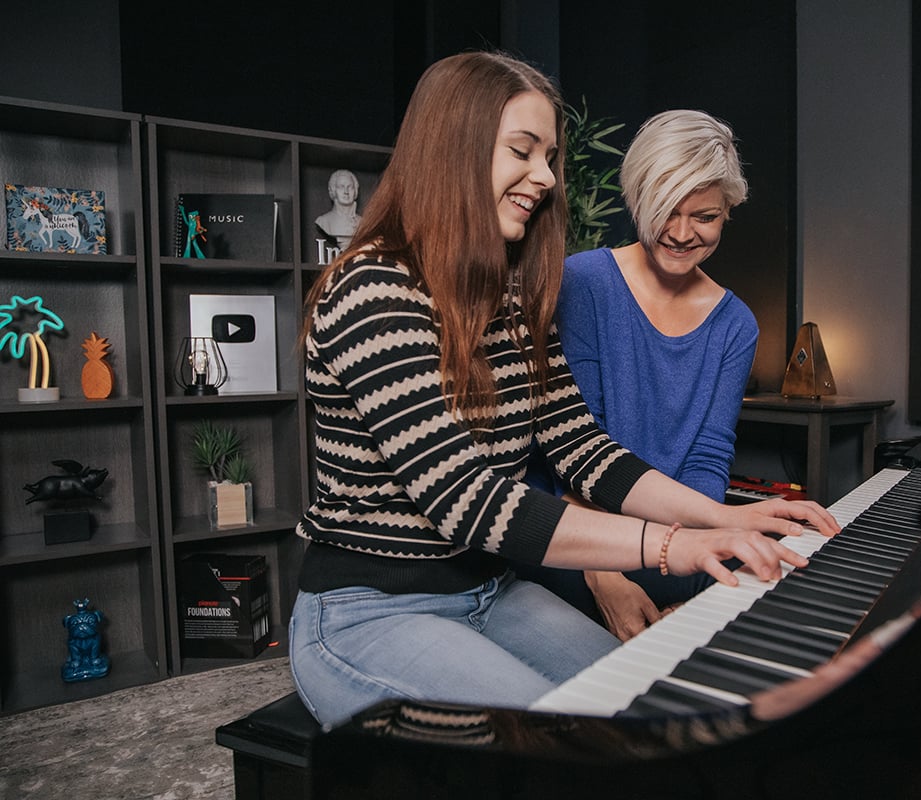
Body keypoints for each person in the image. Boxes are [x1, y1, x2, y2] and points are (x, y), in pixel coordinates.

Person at [288, 51, 840, 728]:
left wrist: (725, 518)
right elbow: (468, 500)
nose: (546, 177)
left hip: (490, 587)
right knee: (569, 750)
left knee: (649, 709)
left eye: (549, 155)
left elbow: (582, 448)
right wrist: (673, 544)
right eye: (523, 150)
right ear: (452, 151)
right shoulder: (373, 289)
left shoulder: (512, 295)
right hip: (370, 608)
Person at [521, 110, 759, 640]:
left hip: (675, 539)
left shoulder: (736, 324)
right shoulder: (580, 283)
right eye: (665, 211)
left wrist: (692, 566)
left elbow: (707, 459)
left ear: (728, 211)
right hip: (573, 532)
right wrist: (602, 568)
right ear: (638, 200)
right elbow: (572, 452)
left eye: (705, 216)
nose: (680, 234)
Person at [314, 168, 361, 247]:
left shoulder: (363, 223)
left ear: (355, 191)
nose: (346, 192)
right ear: (333, 190)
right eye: (341, 187)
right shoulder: (323, 221)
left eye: (350, 187)